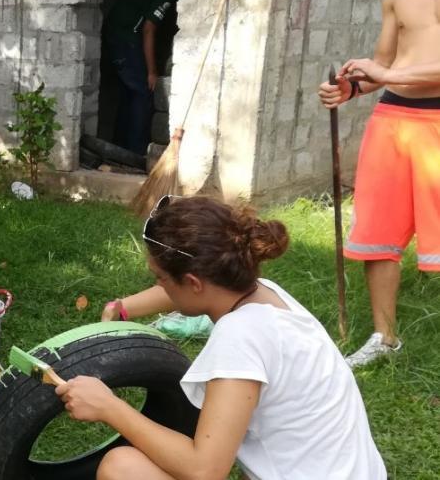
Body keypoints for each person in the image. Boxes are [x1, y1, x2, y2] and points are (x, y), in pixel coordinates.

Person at [58, 196, 386, 480]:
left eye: (159, 277)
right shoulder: (266, 296)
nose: (159, 284)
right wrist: (123, 307)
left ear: (194, 282)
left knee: (122, 468)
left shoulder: (239, 339)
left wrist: (109, 406)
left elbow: (205, 470)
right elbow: (183, 293)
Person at [318, 0, 440, 367]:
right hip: (392, 120)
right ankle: (385, 337)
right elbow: (384, 61)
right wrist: (352, 87)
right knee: (377, 233)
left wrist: (386, 72)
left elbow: (393, 67)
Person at [102, 0, 177, 155]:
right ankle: (136, 152)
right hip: (126, 39)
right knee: (143, 92)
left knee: (129, 93)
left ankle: (119, 148)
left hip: (112, 34)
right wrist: (152, 72)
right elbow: (148, 30)